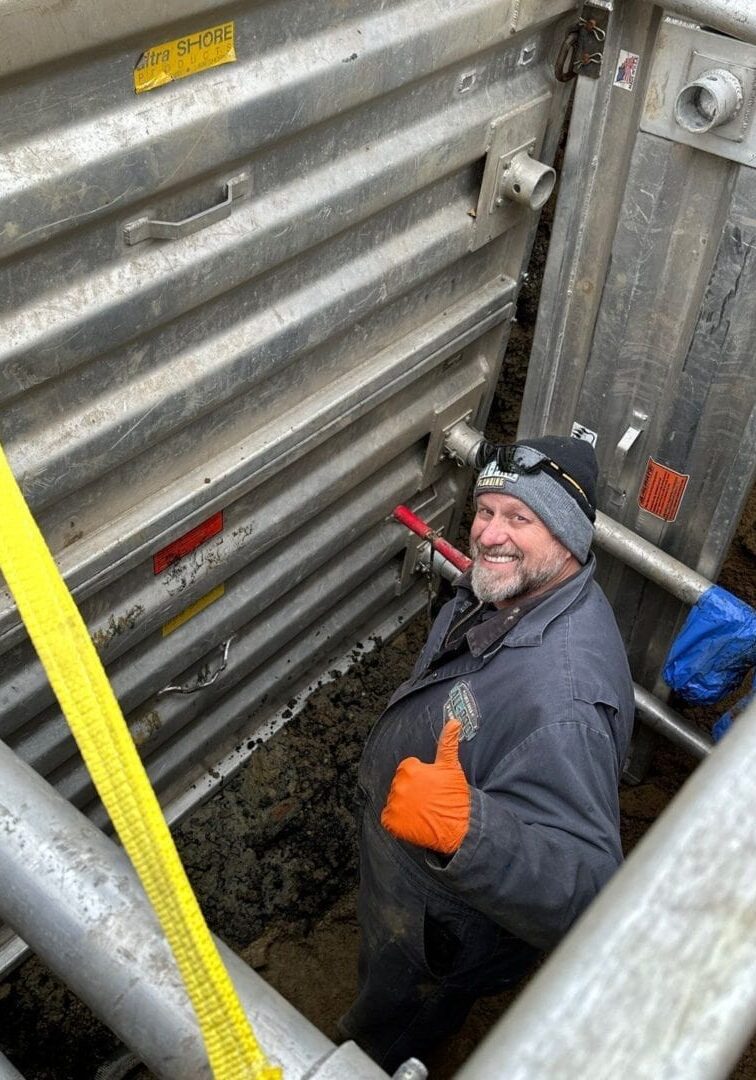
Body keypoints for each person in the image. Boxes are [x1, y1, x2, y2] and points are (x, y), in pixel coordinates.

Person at [339, 435, 634, 1072]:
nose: (489, 534)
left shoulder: (564, 705)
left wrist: (467, 833)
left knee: (395, 1020)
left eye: (520, 518)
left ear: (567, 538)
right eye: (485, 510)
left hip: (440, 931)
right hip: (414, 874)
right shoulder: (511, 589)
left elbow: (591, 897)